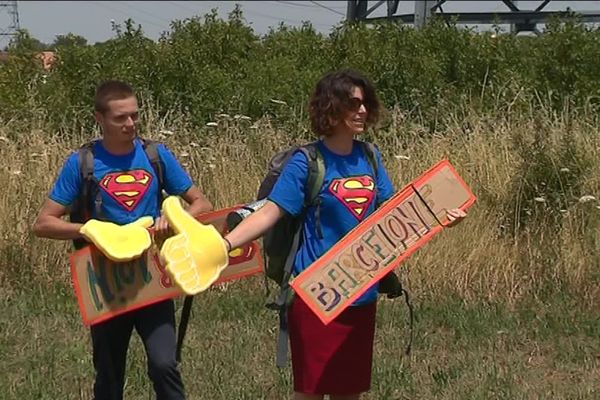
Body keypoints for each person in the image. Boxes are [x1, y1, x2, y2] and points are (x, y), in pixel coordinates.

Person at [223, 69, 466, 400]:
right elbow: (270, 211)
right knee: (310, 391)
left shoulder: (370, 158)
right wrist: (224, 244)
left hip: (361, 293)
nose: (362, 111)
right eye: (353, 103)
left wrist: (440, 217)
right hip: (315, 294)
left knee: (349, 392)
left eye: (365, 103)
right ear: (331, 107)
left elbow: (393, 214)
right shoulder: (306, 161)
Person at [32, 80, 213, 400]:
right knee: (109, 372)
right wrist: (90, 230)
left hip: (153, 276)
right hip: (105, 281)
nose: (131, 124)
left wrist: (174, 219)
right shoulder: (82, 163)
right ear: (99, 119)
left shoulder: (156, 155)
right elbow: (43, 223)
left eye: (135, 115)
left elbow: (202, 204)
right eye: (121, 118)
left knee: (164, 364)